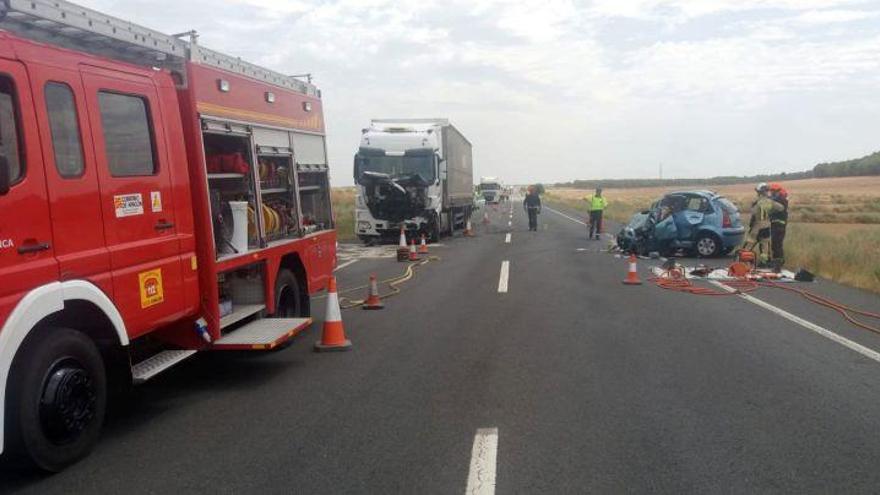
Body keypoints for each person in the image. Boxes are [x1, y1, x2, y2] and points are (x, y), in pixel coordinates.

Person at [743, 182, 784, 266]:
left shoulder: (757, 202)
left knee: (749, 244)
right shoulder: (770, 201)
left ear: (759, 192)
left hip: (757, 226)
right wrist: (771, 210)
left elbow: (753, 212)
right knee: (765, 245)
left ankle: (743, 260)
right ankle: (764, 262)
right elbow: (781, 208)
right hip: (767, 226)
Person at [768, 183, 789, 270]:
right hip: (776, 225)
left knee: (777, 245)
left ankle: (778, 265)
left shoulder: (781, 200)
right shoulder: (779, 199)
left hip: (779, 226)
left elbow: (773, 206)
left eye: (772, 191)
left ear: (777, 191)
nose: (771, 193)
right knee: (776, 245)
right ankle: (778, 262)